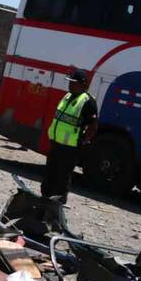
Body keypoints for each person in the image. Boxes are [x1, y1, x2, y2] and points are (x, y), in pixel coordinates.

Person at [42, 68, 97, 203]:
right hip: (56, 144)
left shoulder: (88, 101)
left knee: (62, 179)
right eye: (69, 82)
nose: (70, 85)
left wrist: (83, 140)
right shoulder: (67, 96)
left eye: (73, 82)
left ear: (83, 84)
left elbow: (93, 125)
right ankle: (44, 202)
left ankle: (56, 208)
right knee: (49, 176)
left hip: (70, 149)